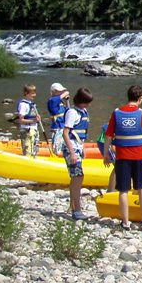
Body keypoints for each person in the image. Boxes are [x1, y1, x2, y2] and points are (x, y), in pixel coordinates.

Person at [104, 85, 142, 231]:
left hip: (122, 157)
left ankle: (125, 222)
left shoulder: (116, 113)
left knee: (123, 190)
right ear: (140, 99)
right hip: (139, 156)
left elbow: (108, 136)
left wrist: (106, 155)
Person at [62, 88, 92, 220]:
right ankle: (76, 208)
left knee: (76, 177)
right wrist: (73, 153)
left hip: (78, 147)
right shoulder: (72, 113)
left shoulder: (84, 111)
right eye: (86, 102)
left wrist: (83, 148)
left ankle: (72, 205)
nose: (88, 105)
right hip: (71, 149)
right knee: (78, 176)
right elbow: (66, 133)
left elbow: (81, 133)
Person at [15, 85, 41, 157]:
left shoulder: (32, 104)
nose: (34, 95)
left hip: (34, 129)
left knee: (35, 150)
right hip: (27, 130)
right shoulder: (23, 105)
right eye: (32, 93)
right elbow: (21, 120)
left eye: (35, 93)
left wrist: (37, 119)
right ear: (26, 93)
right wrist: (33, 121)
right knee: (28, 151)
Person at [46, 83, 70, 155]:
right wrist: (66, 93)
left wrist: (67, 100)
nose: (61, 92)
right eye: (58, 91)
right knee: (57, 147)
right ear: (54, 91)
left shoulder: (60, 101)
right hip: (57, 127)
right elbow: (59, 98)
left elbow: (68, 110)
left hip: (63, 126)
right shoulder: (52, 101)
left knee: (65, 146)